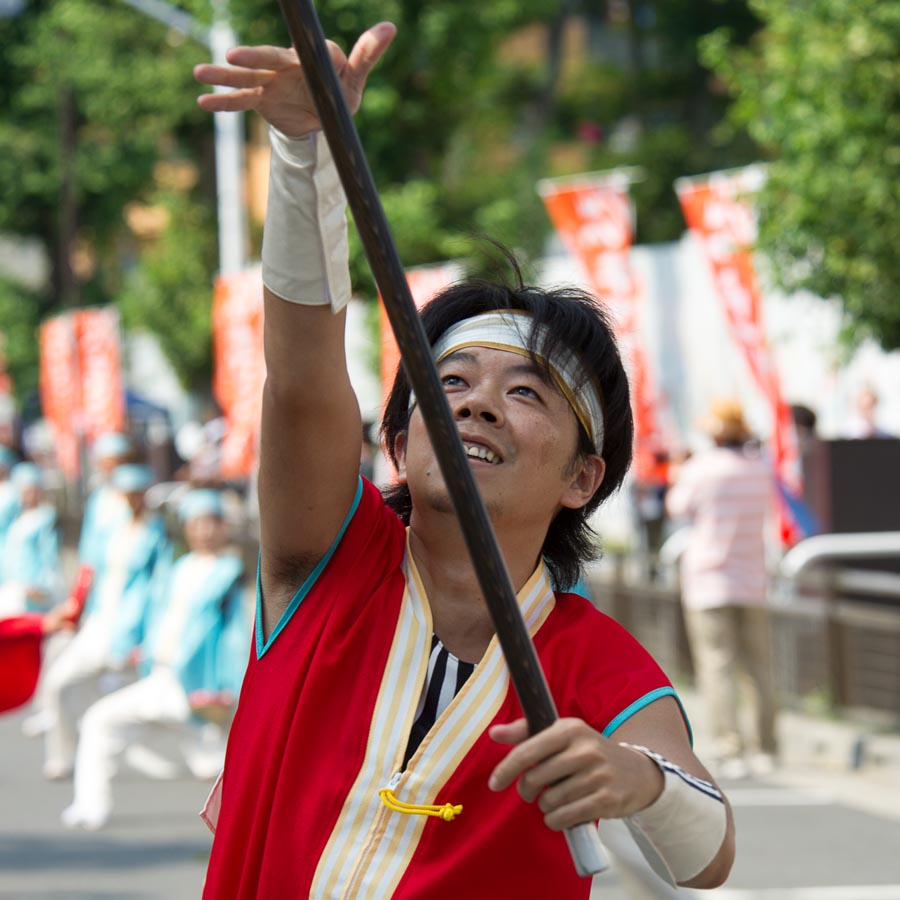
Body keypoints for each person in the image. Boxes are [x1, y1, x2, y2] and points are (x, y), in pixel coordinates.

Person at [194, 22, 734, 898]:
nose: (477, 401)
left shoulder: (593, 661)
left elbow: (708, 855)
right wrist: (306, 152)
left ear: (582, 479)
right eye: (448, 381)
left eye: (527, 393)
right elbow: (300, 378)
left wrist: (638, 780)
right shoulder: (326, 564)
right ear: (401, 444)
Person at [61, 489, 249, 831]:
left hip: (200, 689)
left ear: (223, 527)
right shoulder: (179, 567)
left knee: (222, 770)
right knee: (100, 721)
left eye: (211, 522)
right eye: (196, 523)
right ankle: (91, 806)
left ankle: (246, 842)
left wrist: (229, 688)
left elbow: (235, 638)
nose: (203, 530)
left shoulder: (228, 574)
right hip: (162, 679)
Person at [665, 399, 778, 779]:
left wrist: (679, 471)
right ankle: (766, 747)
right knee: (759, 667)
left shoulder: (702, 469)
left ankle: (730, 749)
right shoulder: (758, 469)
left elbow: (676, 506)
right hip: (751, 577)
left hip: (708, 578)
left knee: (718, 665)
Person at [41, 464, 171, 780]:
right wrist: (78, 607)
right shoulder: (112, 528)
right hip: (99, 623)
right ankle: (62, 755)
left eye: (136, 494)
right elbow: (91, 570)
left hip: (129, 632)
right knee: (59, 684)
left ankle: (188, 759)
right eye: (126, 494)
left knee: (134, 708)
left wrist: (147, 639)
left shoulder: (157, 536)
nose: (131, 500)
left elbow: (159, 593)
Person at [0, 462, 60, 618]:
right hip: (15, 587)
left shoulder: (45, 517)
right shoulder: (17, 519)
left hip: (33, 589)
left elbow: (48, 554)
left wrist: (41, 584)